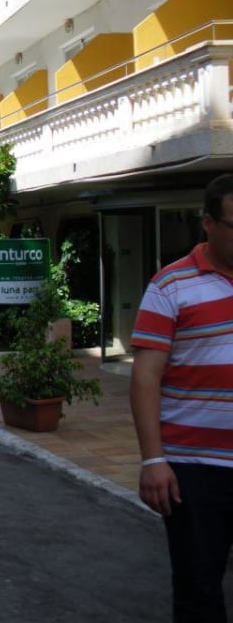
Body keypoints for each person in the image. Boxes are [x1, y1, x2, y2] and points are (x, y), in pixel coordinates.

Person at [130, 173, 233, 622]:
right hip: (196, 468)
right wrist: (153, 459)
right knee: (199, 590)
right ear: (208, 223)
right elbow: (145, 378)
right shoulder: (171, 285)